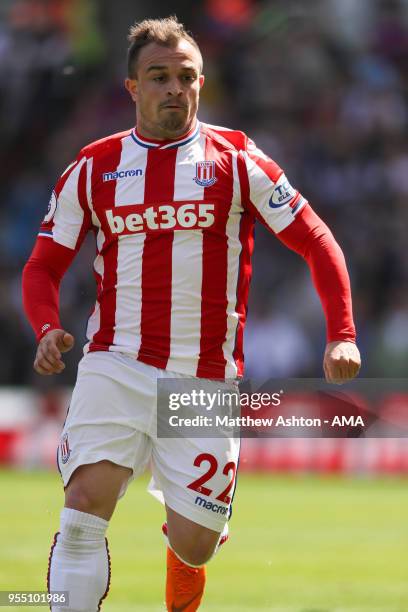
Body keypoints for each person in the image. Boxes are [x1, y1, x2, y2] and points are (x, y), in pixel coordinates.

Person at [22, 15, 361, 612]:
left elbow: (316, 239)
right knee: (83, 512)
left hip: (203, 379)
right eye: (159, 77)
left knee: (197, 544)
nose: (174, 88)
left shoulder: (237, 158)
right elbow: (43, 266)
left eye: (186, 77)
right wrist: (47, 326)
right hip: (115, 362)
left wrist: (341, 333)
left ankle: (181, 570)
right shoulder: (93, 168)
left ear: (201, 83)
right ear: (132, 87)